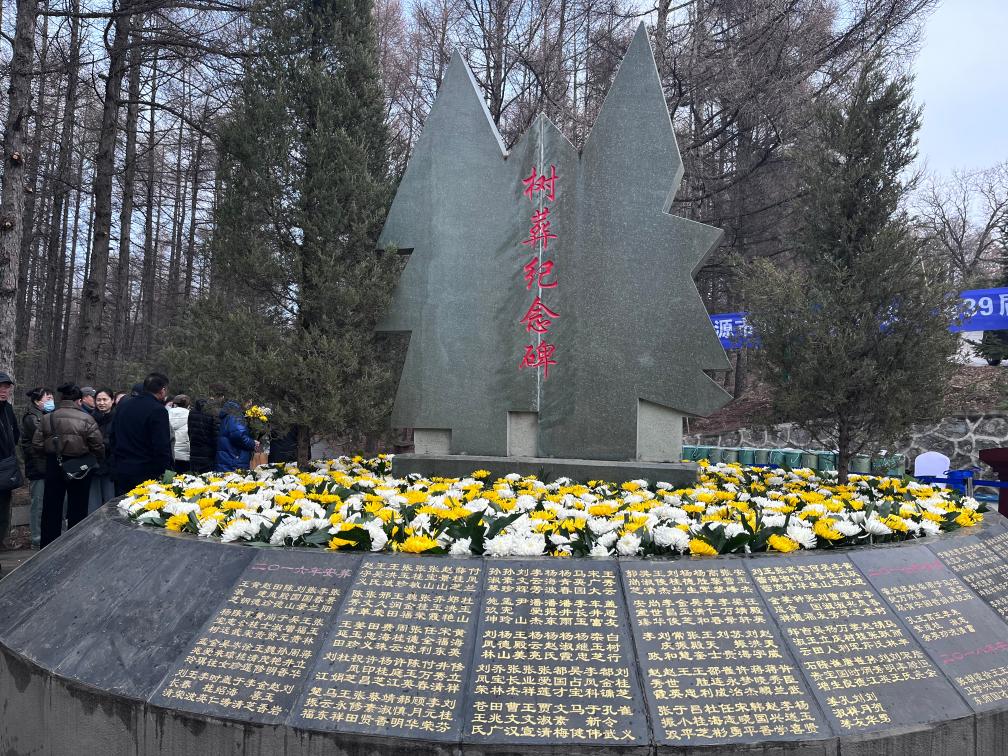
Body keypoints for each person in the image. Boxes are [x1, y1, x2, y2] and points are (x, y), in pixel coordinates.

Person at [32, 383, 104, 548]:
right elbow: (97, 445)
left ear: (61, 398)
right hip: (80, 466)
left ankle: (48, 547)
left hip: (54, 464)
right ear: (79, 400)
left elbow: (36, 444)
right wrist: (94, 458)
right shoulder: (87, 418)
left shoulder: (48, 418)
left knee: (51, 509)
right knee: (78, 508)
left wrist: (49, 454)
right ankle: (75, 546)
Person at [111, 372, 173, 496]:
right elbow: (161, 446)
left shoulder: (124, 406)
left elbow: (113, 436)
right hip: (146, 473)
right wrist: (167, 474)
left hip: (122, 468)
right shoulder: (158, 410)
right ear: (163, 390)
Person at [20, 386, 54, 547]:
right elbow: (42, 438)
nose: (51, 401)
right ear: (37, 401)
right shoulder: (31, 417)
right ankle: (37, 539)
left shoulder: (47, 415)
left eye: (52, 398)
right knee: (38, 504)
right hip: (37, 466)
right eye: (48, 398)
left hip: (48, 466)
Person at [0, 372, 21, 550]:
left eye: (6, 387)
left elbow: (15, 435)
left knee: (2, 512)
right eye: (0, 386)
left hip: (5, 469)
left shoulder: (7, 408)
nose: (3, 390)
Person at [88, 388, 117, 512]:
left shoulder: (118, 418)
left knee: (110, 500)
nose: (101, 403)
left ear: (112, 400)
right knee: (93, 503)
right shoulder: (90, 418)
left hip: (111, 465)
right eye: (98, 400)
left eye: (105, 399)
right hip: (93, 464)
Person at [188, 383, 225, 474]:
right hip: (209, 455)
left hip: (194, 452)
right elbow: (216, 436)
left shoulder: (193, 411)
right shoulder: (215, 412)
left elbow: (190, 431)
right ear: (221, 397)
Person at [216, 399, 258, 472]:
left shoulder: (230, 413)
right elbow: (238, 435)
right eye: (249, 401)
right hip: (235, 461)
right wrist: (253, 443)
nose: (250, 403)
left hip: (228, 459)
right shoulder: (236, 415)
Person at [168, 395, 191, 473]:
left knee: (168, 479)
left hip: (170, 453)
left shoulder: (166, 413)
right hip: (185, 454)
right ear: (188, 405)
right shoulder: (190, 415)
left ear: (174, 404)